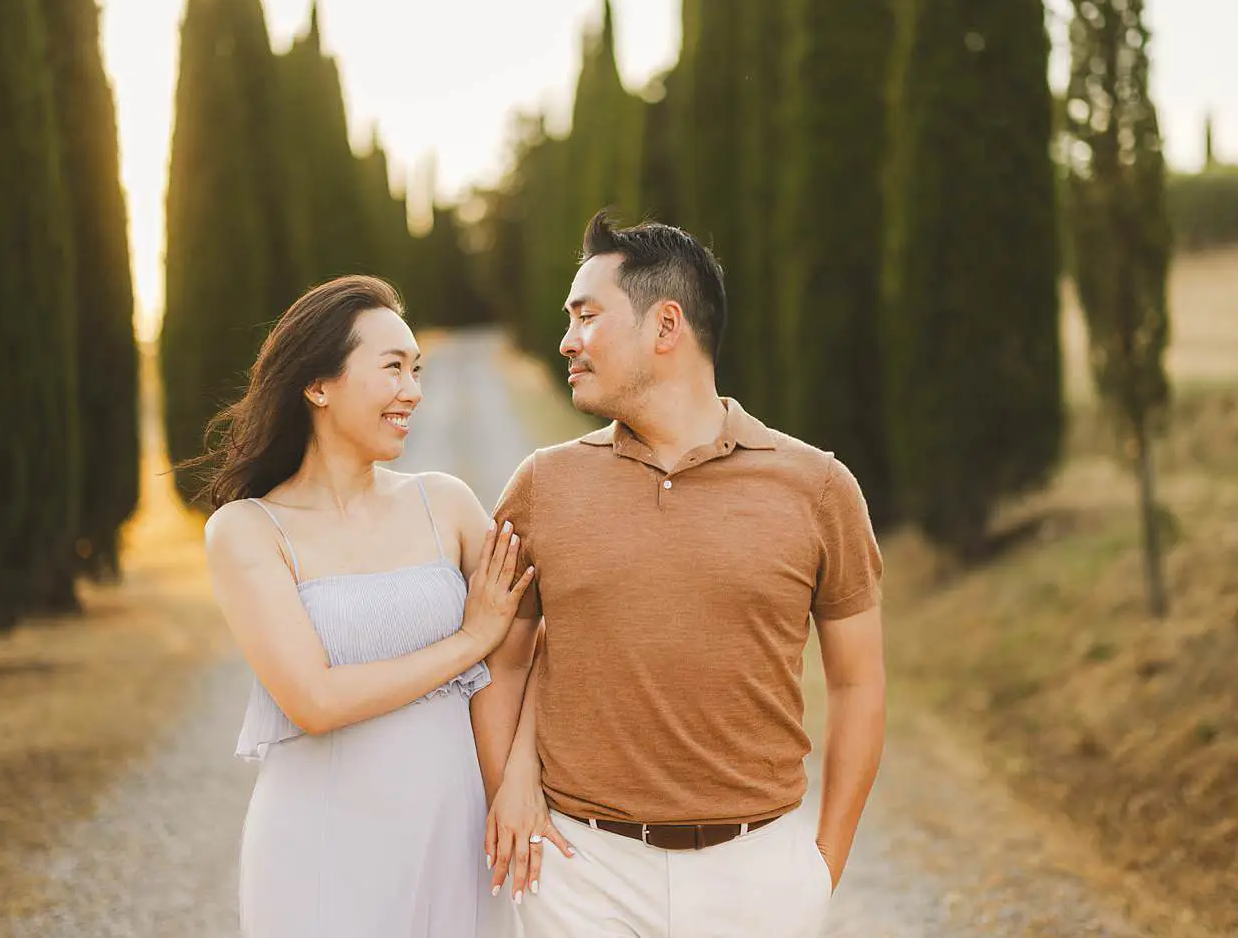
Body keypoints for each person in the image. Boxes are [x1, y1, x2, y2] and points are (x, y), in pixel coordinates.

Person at [471, 212, 887, 938]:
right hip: (580, 872)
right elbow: (501, 662)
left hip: (756, 877)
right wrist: (509, 786)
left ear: (666, 326)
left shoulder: (819, 487)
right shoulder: (543, 485)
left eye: (586, 316)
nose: (566, 339)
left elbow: (858, 682)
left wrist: (822, 864)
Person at [200, 275, 531, 938]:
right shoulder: (248, 529)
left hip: (456, 835)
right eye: (392, 367)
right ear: (318, 385)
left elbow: (527, 653)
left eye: (416, 369)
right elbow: (314, 701)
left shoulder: (448, 503)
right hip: (320, 847)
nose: (413, 390)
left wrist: (516, 782)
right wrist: (470, 641)